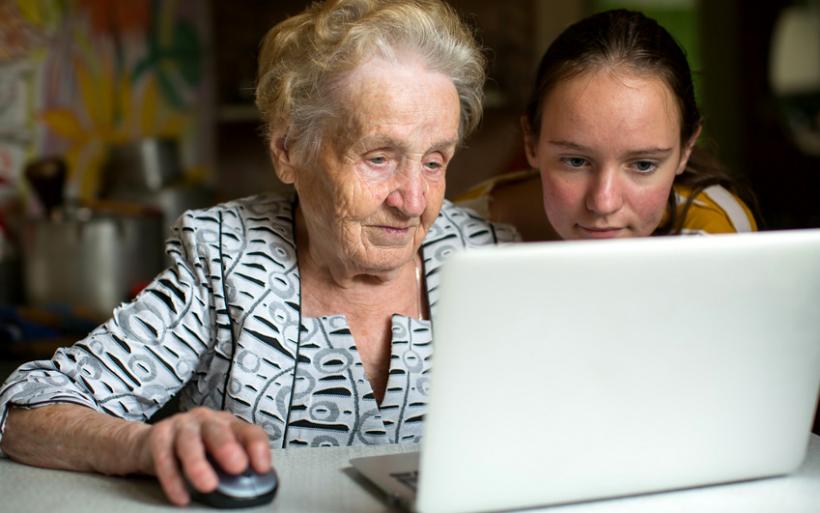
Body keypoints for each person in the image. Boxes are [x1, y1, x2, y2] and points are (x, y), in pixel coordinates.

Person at [0, 0, 516, 506]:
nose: (412, 201)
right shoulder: (224, 258)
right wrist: (144, 443)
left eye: (433, 161)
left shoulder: (491, 261)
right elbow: (24, 410)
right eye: (379, 158)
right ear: (288, 151)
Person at [458, 9, 758, 241]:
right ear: (530, 143)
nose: (603, 203)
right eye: (575, 161)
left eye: (643, 165)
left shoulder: (712, 235)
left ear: (685, 150)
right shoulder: (451, 237)